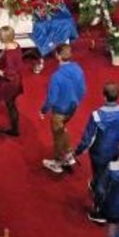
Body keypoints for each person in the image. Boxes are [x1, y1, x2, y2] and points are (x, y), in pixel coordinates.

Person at [74, 82, 119, 192]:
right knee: (108, 172)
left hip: (99, 153)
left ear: (104, 97)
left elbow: (88, 139)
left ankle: (98, 197)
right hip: (116, 150)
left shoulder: (97, 116)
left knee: (99, 175)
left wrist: (78, 151)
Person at [40, 43, 87, 174]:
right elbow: (83, 89)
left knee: (57, 135)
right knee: (63, 130)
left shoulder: (56, 76)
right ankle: (68, 154)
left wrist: (43, 110)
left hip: (60, 111)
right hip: (73, 108)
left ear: (57, 56)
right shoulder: (78, 68)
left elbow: (52, 99)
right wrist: (76, 101)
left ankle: (58, 162)